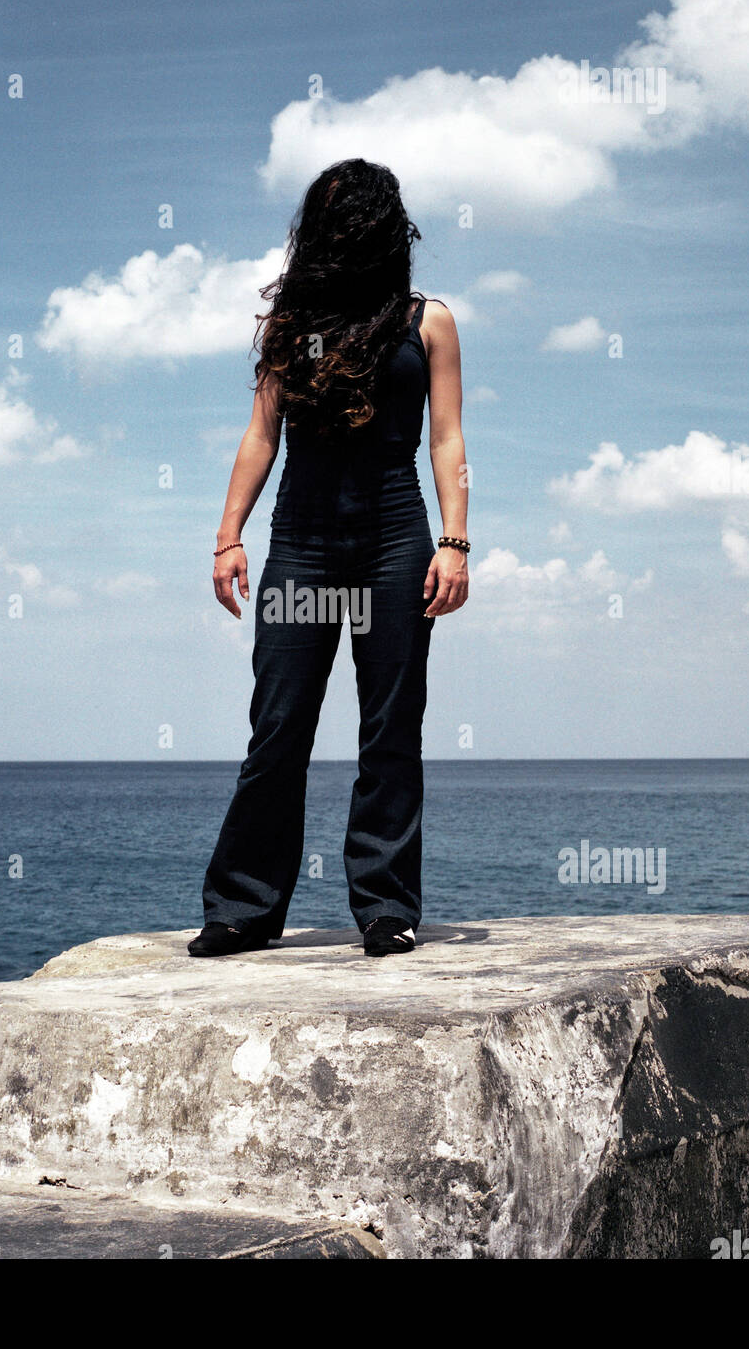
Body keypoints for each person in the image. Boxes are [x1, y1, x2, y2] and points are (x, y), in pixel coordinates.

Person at [191, 158, 469, 959]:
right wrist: (227, 535)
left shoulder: (430, 322)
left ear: (385, 228)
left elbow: (448, 438)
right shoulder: (291, 328)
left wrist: (454, 541)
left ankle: (386, 907)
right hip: (302, 543)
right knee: (278, 722)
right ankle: (243, 907)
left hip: (393, 535)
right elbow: (261, 436)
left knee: (389, 728)